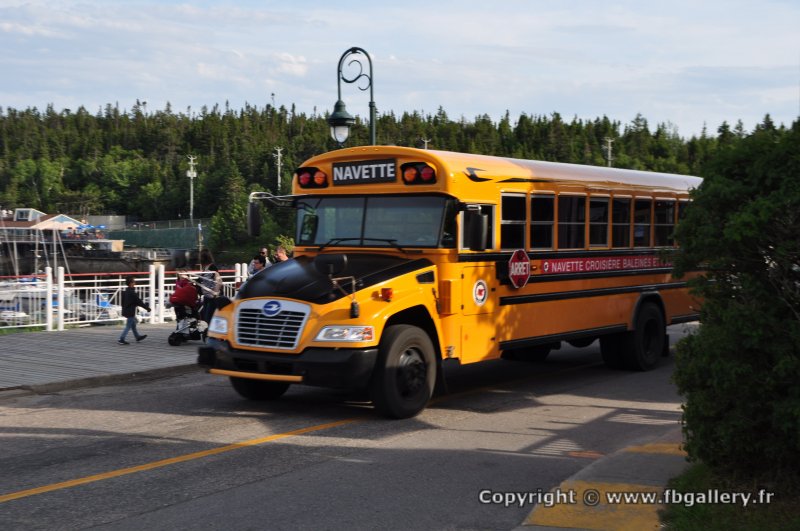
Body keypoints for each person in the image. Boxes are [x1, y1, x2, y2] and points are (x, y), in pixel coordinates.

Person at [118, 277, 151, 345]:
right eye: (133, 282)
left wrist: (124, 309)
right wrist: (147, 308)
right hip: (130, 311)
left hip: (126, 310)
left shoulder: (126, 292)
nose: (134, 283)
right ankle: (121, 339)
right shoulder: (132, 293)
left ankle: (137, 337)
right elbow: (139, 302)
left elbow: (123, 302)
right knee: (128, 326)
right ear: (131, 283)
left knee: (133, 325)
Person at [197, 249, 222, 325]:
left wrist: (215, 292)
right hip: (206, 296)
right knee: (204, 317)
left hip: (212, 297)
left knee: (208, 318)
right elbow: (200, 280)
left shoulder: (212, 267)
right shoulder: (205, 268)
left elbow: (218, 280)